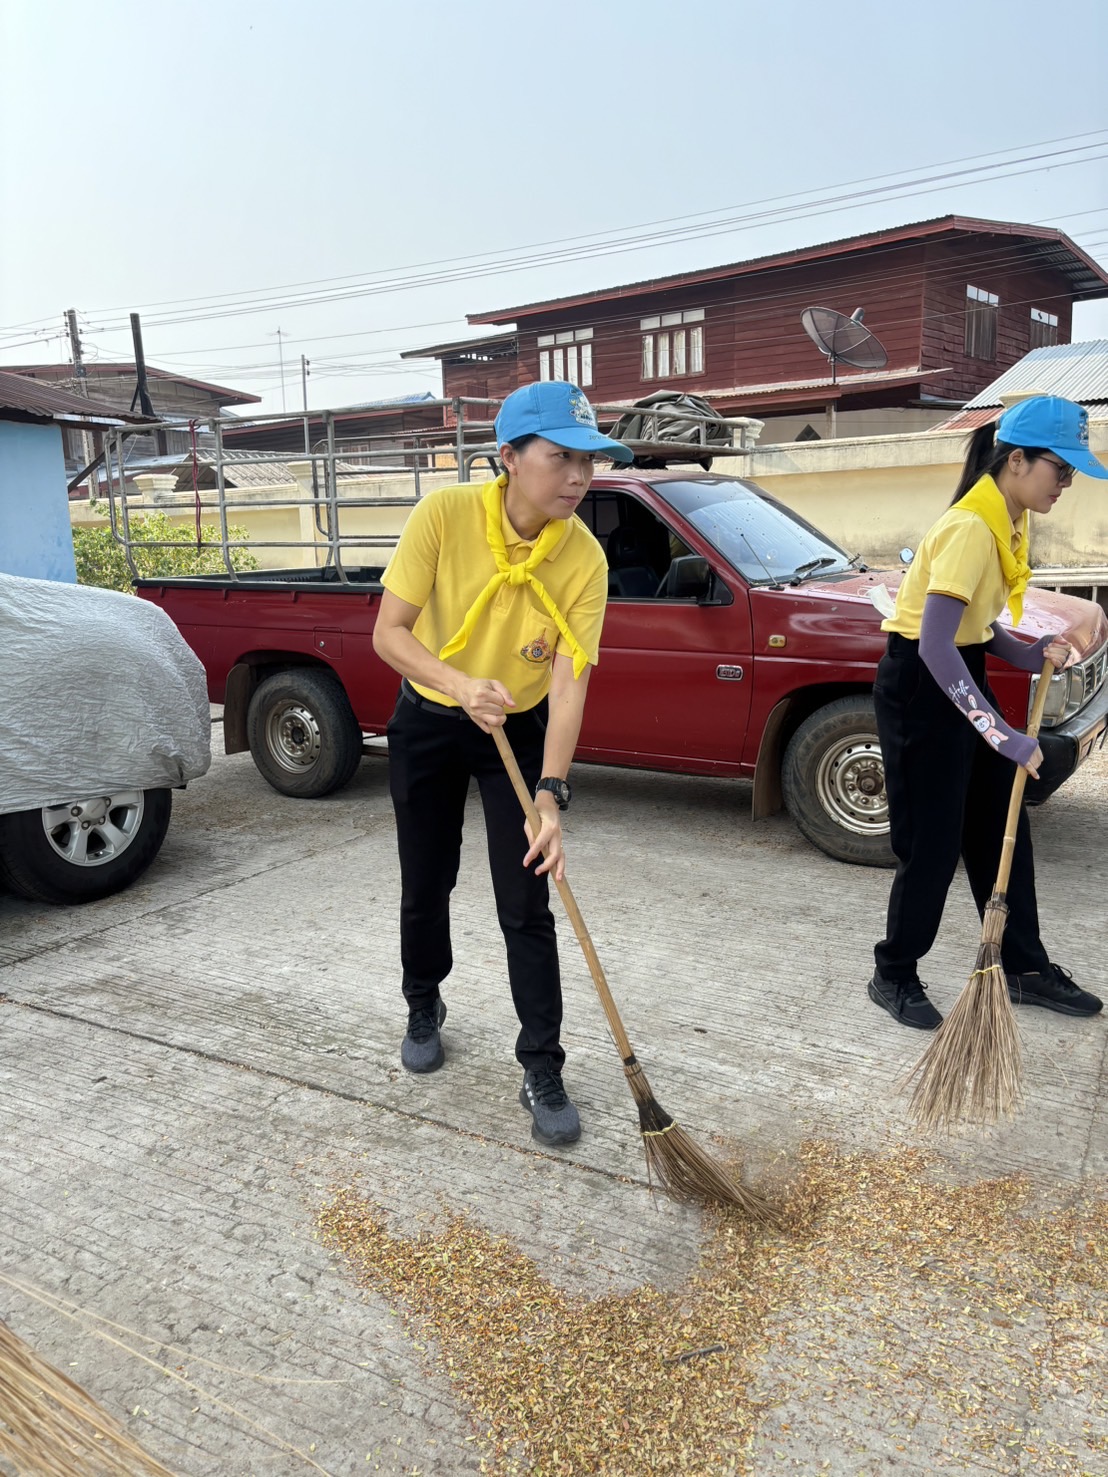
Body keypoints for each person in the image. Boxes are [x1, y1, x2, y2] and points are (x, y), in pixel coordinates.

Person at [372, 381, 633, 1145]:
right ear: (509, 458)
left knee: (527, 903)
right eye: (562, 458)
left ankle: (541, 1063)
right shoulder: (445, 517)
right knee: (426, 881)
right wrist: (456, 684)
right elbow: (390, 631)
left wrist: (551, 793)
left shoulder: (582, 556)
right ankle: (424, 999)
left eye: (589, 460)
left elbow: (569, 677)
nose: (580, 477)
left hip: (514, 734)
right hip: (427, 720)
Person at [868, 394, 1107, 1029]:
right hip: (921, 687)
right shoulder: (973, 528)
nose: (1066, 484)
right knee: (933, 844)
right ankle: (893, 972)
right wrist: (999, 733)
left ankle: (1024, 967)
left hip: (958, 674)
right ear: (1018, 460)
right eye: (1061, 469)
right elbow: (934, 642)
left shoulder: (1008, 516)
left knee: (1000, 831)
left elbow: (974, 626)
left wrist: (1029, 654)